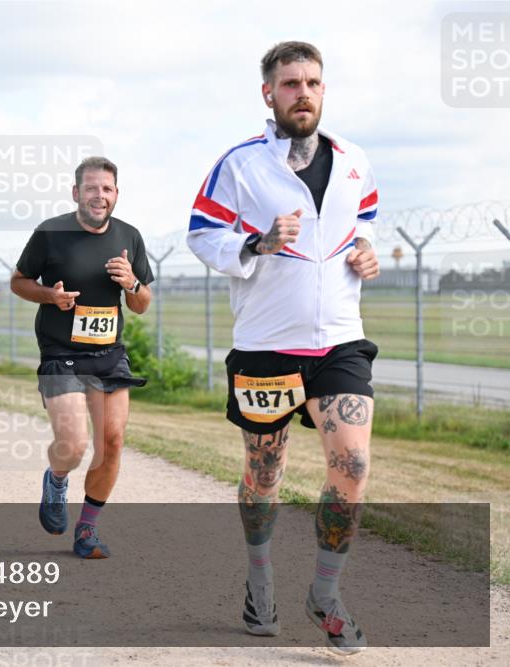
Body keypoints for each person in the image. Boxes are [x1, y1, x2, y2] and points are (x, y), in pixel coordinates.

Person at [186, 41, 381, 655]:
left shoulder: (354, 161)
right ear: (268, 93)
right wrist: (256, 243)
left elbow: (365, 220)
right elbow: (201, 234)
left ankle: (325, 593)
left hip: (339, 341)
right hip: (266, 346)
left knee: (352, 465)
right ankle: (260, 580)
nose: (304, 93)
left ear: (323, 90)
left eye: (313, 83)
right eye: (291, 83)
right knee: (263, 474)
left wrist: (366, 251)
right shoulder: (240, 164)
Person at [10, 156, 153, 559]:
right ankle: (57, 479)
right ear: (76, 192)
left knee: (112, 441)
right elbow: (18, 282)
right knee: (73, 444)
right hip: (61, 353)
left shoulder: (129, 237)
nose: (99, 196)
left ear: (116, 194)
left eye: (106, 189)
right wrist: (49, 296)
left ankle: (87, 528)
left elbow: (142, 304)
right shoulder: (50, 233)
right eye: (91, 188)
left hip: (109, 354)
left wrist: (132, 282)